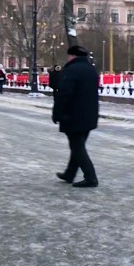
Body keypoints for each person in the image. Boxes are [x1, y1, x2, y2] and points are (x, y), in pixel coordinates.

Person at [52, 45, 100, 188]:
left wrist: (57, 113)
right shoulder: (91, 69)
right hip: (89, 114)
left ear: (72, 56)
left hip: (73, 114)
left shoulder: (71, 70)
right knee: (78, 145)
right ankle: (70, 173)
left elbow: (64, 93)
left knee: (77, 146)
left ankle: (90, 177)